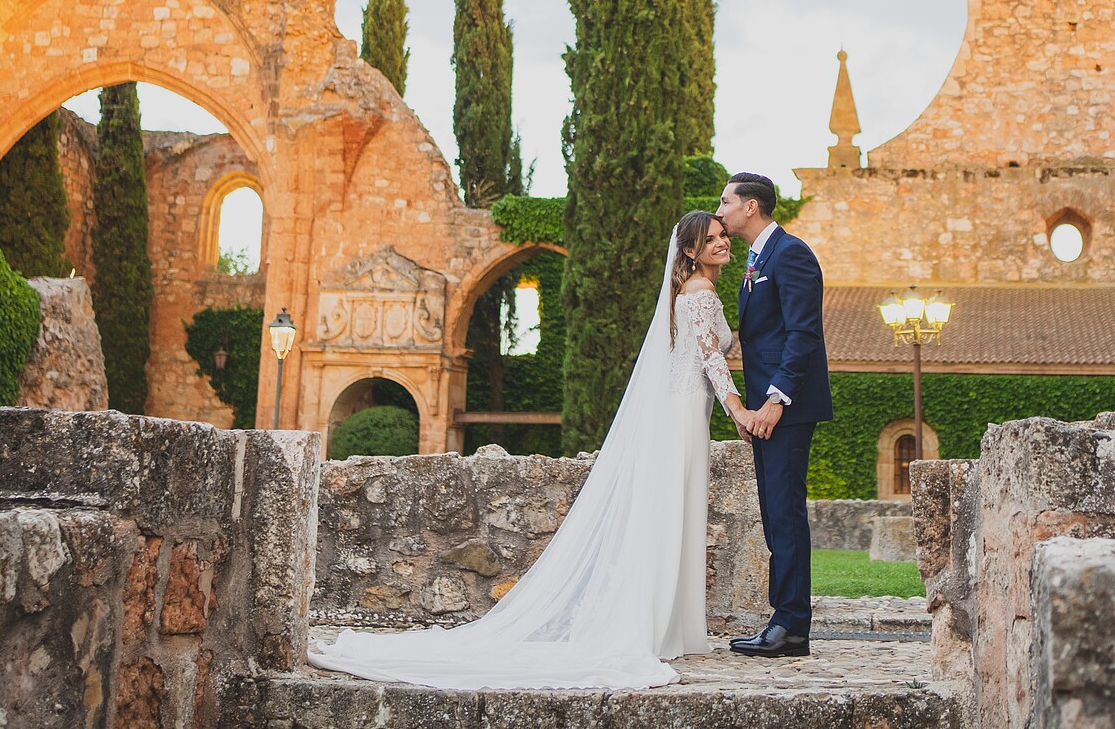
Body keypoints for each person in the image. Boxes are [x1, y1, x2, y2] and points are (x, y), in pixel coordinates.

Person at [307, 211, 746, 689]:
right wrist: (738, 409)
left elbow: (717, 346)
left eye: (723, 236)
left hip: (682, 411)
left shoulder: (693, 293)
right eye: (712, 239)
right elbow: (710, 357)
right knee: (671, 514)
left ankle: (667, 626)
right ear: (689, 251)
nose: (722, 243)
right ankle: (661, 627)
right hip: (684, 413)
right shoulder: (699, 293)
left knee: (669, 514)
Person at [716, 171, 832, 658]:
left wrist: (773, 402)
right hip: (766, 411)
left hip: (785, 409)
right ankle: (782, 619)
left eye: (725, 201)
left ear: (750, 207)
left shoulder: (792, 254)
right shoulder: (756, 258)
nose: (718, 210)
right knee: (773, 514)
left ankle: (792, 627)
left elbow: (802, 335)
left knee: (784, 514)